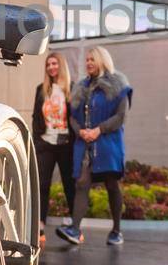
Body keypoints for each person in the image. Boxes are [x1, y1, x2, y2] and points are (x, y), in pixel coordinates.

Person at [56, 45, 132, 249]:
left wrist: (99, 130)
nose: (88, 63)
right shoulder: (80, 87)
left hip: (108, 144)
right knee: (82, 183)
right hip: (85, 143)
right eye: (87, 60)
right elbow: (72, 116)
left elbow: (121, 116)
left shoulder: (118, 84)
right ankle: (75, 228)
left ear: (102, 61)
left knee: (111, 185)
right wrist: (80, 130)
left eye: (92, 59)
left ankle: (116, 231)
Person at [32, 52, 75, 243]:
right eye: (48, 64)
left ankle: (75, 225)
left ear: (61, 65)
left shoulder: (71, 89)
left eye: (54, 63)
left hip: (66, 145)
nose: (51, 67)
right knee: (42, 185)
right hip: (46, 144)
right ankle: (40, 226)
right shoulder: (41, 89)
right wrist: (37, 141)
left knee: (69, 185)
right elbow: (36, 117)